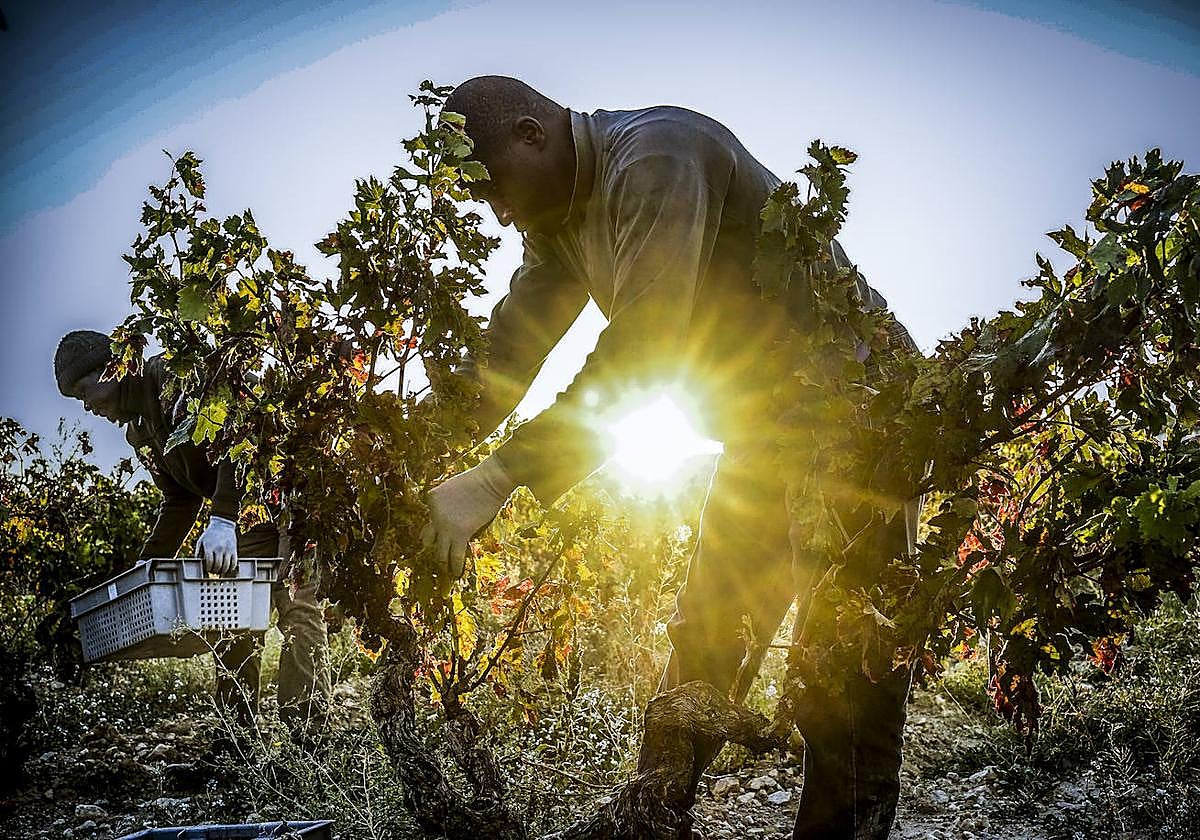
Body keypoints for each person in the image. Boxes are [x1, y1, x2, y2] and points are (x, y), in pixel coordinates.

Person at [420, 76, 922, 839]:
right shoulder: (558, 224)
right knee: (708, 637)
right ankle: (648, 824)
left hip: (859, 415)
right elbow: (504, 361)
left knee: (843, 673)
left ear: (531, 133)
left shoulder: (656, 156)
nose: (498, 212)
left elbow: (644, 355)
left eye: (493, 188)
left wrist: (494, 479)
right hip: (767, 434)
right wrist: (397, 457)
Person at [54, 331, 331, 742]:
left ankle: (310, 745)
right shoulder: (140, 432)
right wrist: (148, 565)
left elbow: (240, 431)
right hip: (249, 514)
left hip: (295, 495)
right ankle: (236, 746)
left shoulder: (170, 376)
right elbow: (179, 499)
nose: (87, 406)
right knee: (234, 622)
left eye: (83, 390)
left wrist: (222, 517)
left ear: (111, 368)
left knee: (297, 608)